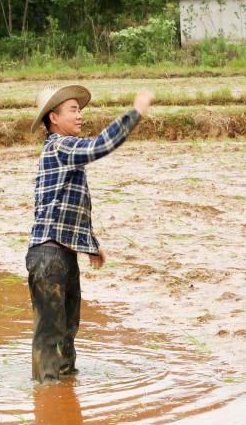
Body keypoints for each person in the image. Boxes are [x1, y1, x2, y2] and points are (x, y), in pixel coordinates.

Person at [26, 83, 153, 382]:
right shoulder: (60, 146)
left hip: (62, 255)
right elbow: (99, 146)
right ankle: (48, 399)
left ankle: (64, 397)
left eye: (80, 110)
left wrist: (90, 245)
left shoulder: (65, 153)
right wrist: (135, 113)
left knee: (67, 334)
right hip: (48, 256)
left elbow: (70, 206)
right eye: (73, 110)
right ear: (53, 118)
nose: (80, 115)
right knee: (50, 335)